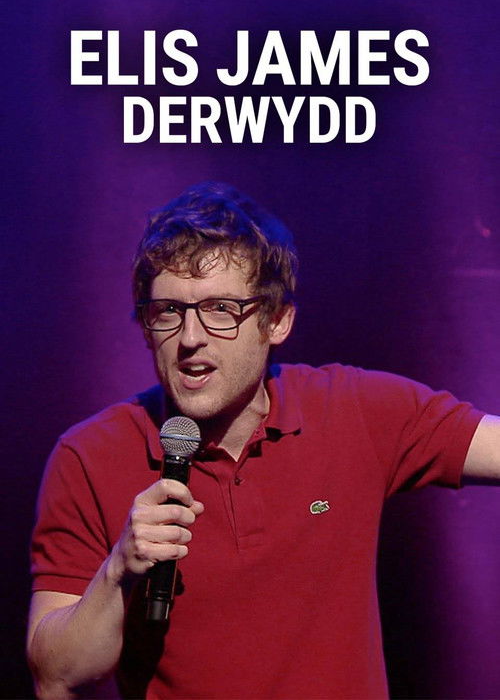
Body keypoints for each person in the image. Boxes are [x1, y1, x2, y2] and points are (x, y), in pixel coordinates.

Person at [27, 182, 500, 700]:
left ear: (277, 320)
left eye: (221, 309)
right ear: (145, 326)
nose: (190, 338)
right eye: (168, 311)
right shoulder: (89, 455)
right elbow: (56, 679)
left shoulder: (355, 410)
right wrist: (118, 569)